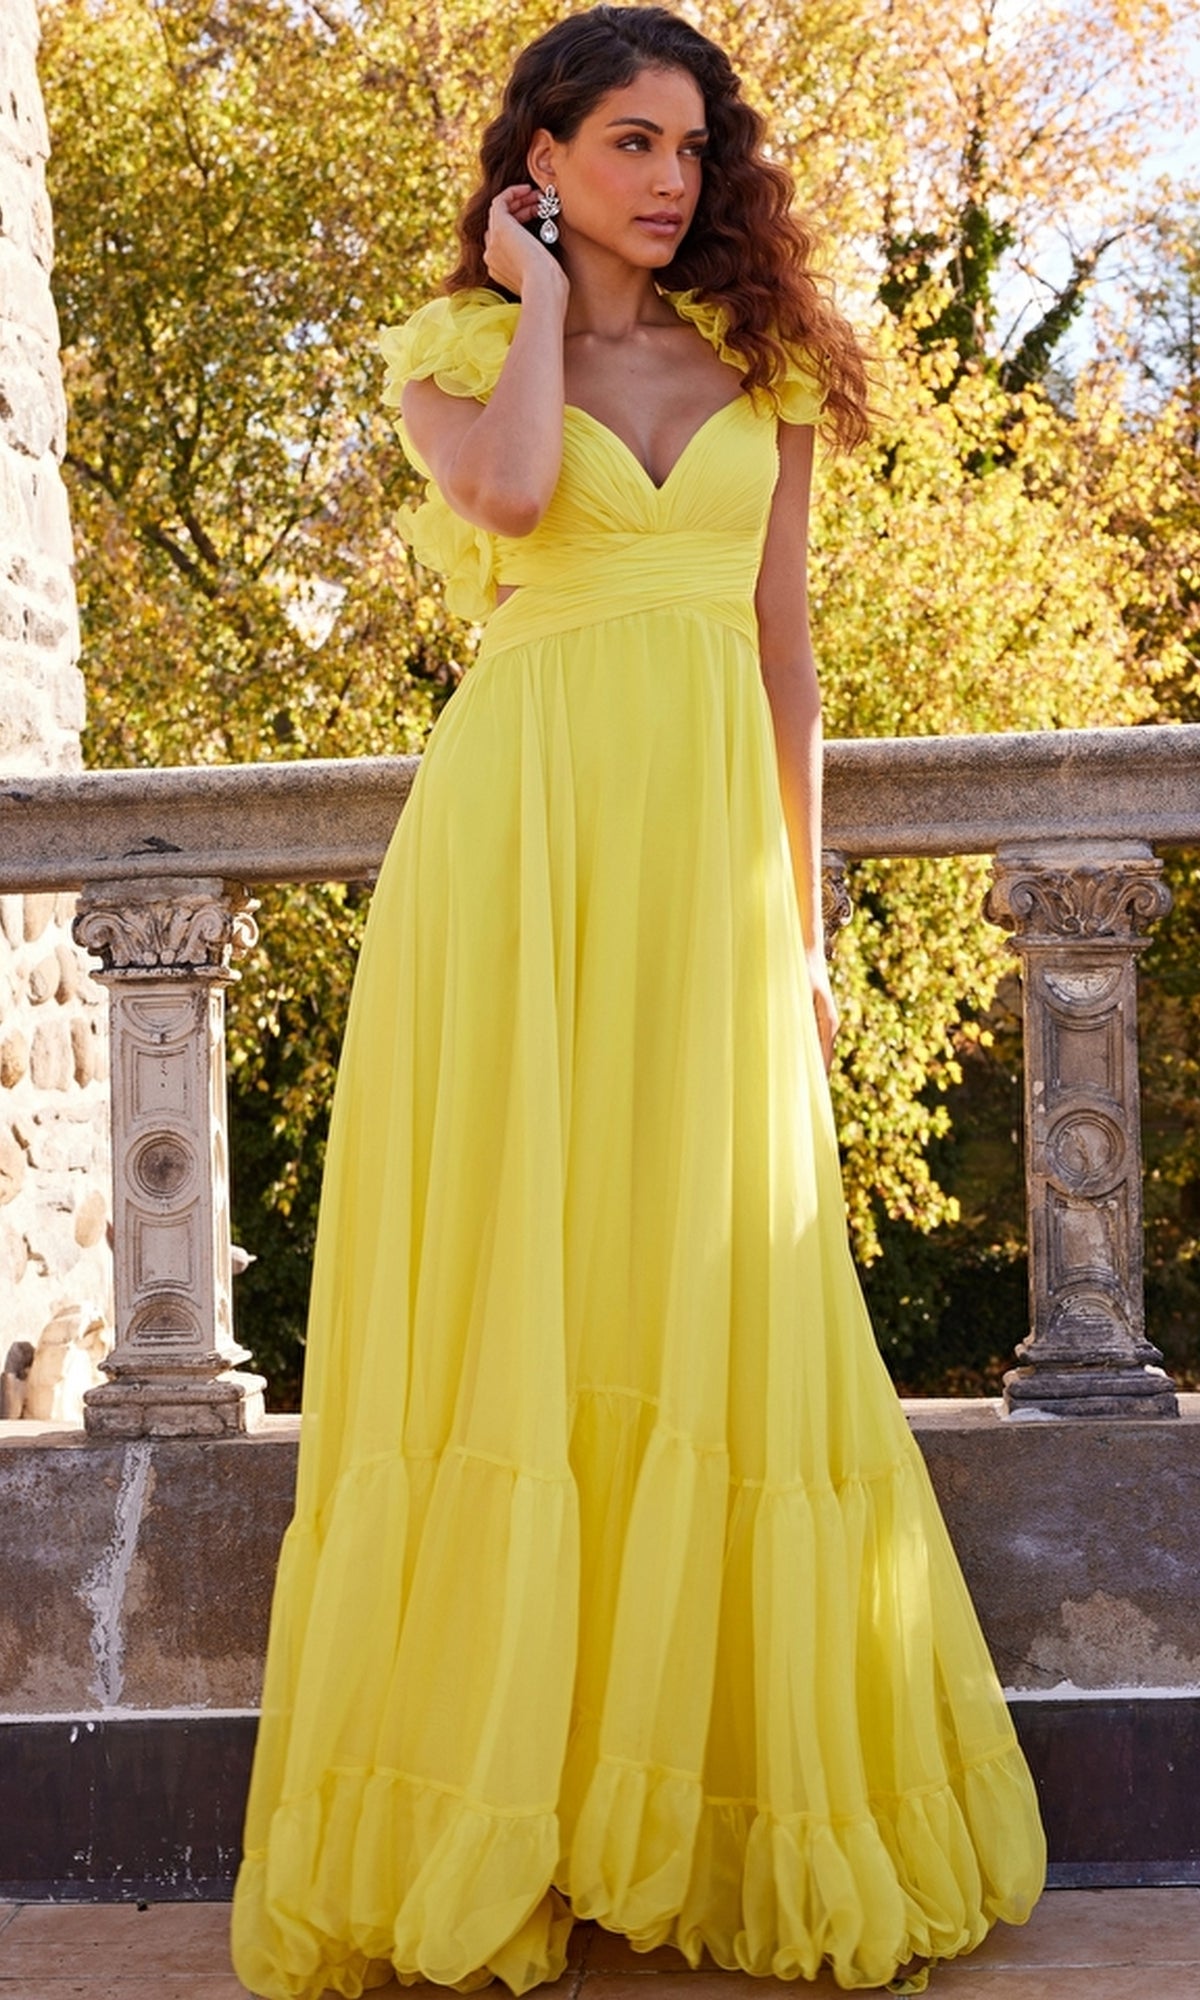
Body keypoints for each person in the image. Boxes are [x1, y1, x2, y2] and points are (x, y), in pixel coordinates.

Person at [230, 9, 1046, 1995]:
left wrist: (806, 917)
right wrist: (523, 295)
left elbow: (789, 656)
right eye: (627, 142)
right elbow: (513, 505)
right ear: (542, 154)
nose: (670, 179)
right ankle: (509, 1811)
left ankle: (691, 1808)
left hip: (704, 871)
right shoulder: (450, 357)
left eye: (693, 145)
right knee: (521, 1282)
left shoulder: (762, 365)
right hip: (517, 854)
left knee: (706, 1289)